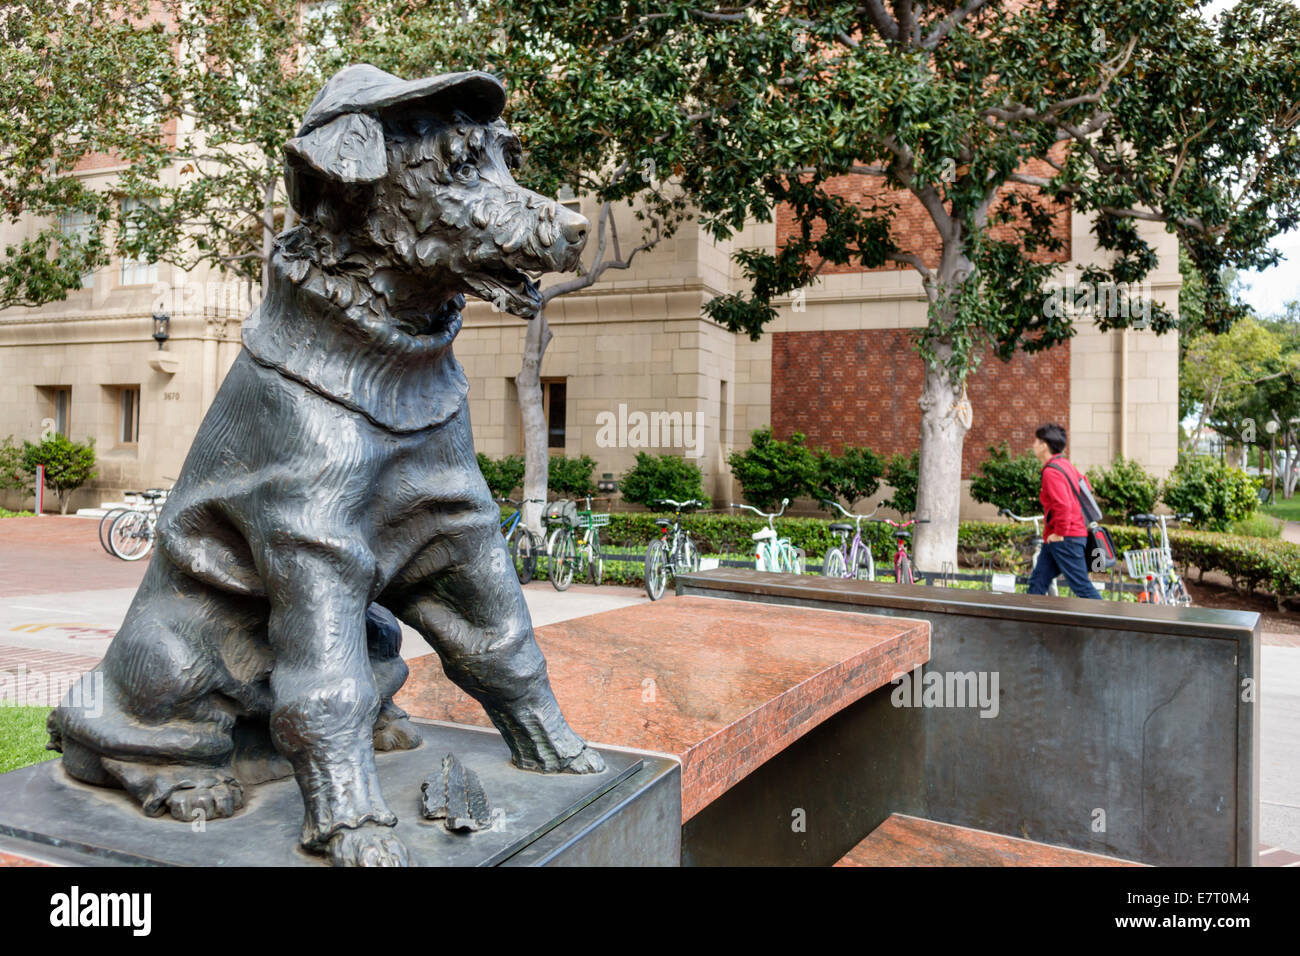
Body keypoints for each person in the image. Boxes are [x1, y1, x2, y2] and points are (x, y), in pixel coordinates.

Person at [1027, 423, 1102, 599]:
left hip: (1065, 538)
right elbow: (1085, 486)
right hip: (1060, 537)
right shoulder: (1065, 464)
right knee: (1037, 583)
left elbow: (1063, 505)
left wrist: (1060, 533)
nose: (1033, 445)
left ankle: (1111, 624)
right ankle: (1028, 624)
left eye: (1036, 441)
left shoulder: (1051, 472)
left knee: (1082, 587)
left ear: (1044, 445)